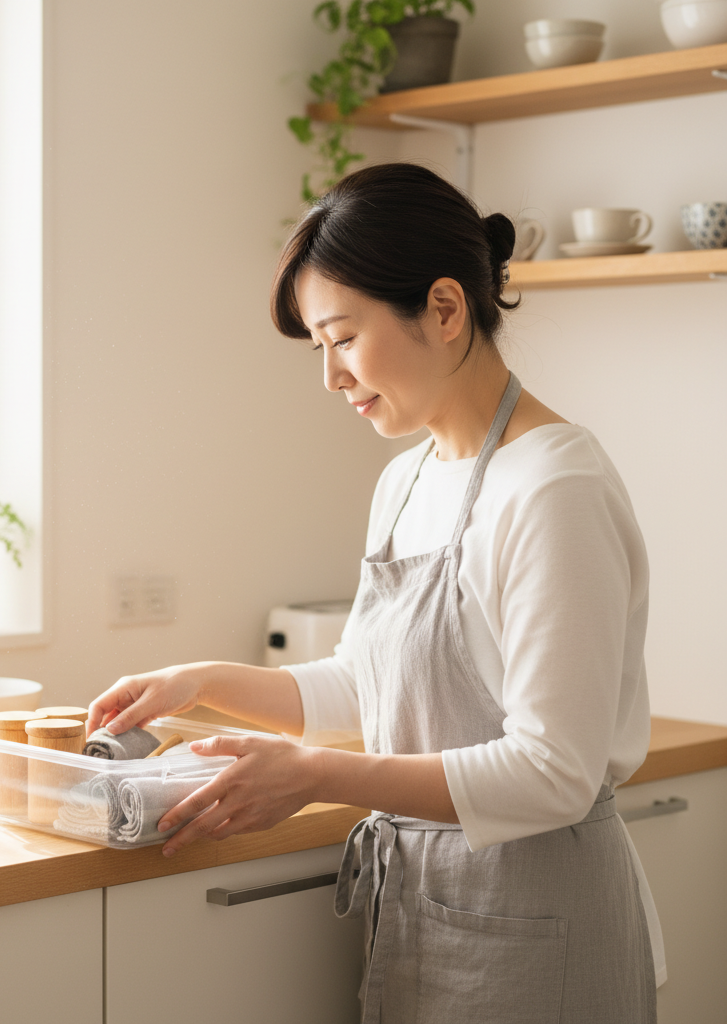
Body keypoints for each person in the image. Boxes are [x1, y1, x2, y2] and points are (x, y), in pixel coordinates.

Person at [85, 163, 661, 1023]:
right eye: (321, 346)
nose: (331, 376)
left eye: (344, 338)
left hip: (544, 914)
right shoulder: (406, 480)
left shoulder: (552, 486)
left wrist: (316, 775)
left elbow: (555, 773)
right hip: (423, 906)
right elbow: (365, 685)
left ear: (443, 308)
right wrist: (200, 682)